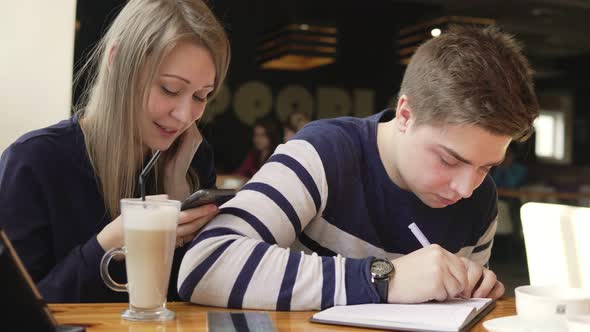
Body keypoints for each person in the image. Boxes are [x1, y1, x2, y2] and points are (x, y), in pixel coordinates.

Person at [177, 25, 538, 310]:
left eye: (486, 167)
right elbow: (206, 264)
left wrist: (473, 290)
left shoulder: (480, 198)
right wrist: (384, 279)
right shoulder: (325, 152)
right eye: (448, 159)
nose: (466, 188)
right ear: (405, 115)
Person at [0, 0, 230, 303]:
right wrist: (108, 244)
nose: (185, 115)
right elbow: (16, 312)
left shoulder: (194, 160)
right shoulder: (33, 162)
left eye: (202, 96)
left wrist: (180, 194)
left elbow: (194, 296)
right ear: (117, 59)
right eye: (170, 89)